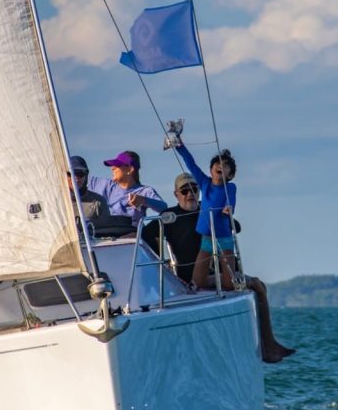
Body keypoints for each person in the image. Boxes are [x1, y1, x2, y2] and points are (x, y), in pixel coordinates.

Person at [143, 173, 295, 363]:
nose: (190, 194)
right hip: (193, 279)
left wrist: (223, 215)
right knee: (256, 284)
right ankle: (268, 346)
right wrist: (161, 263)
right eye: (184, 191)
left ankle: (266, 342)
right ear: (176, 194)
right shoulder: (169, 217)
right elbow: (145, 236)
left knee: (260, 285)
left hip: (219, 274)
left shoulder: (208, 210)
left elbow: (236, 227)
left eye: (194, 189)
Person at [173, 140, 238, 290]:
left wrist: (229, 209)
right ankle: (214, 283)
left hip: (224, 237)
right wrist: (180, 146)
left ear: (230, 174)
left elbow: (231, 202)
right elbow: (191, 164)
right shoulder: (204, 183)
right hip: (207, 237)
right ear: (211, 169)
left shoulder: (230, 187)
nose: (220, 166)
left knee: (230, 284)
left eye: (225, 165)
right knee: (198, 282)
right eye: (217, 163)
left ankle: (246, 282)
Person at [88, 150, 167, 228]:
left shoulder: (145, 191)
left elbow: (164, 208)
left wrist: (143, 200)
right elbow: (81, 177)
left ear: (130, 169)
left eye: (117, 165)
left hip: (133, 234)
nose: (112, 168)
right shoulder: (106, 185)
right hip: (109, 233)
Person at [68, 155, 110, 222]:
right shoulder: (55, 201)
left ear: (86, 176)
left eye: (80, 173)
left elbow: (107, 226)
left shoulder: (99, 202)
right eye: (71, 173)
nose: (76, 178)